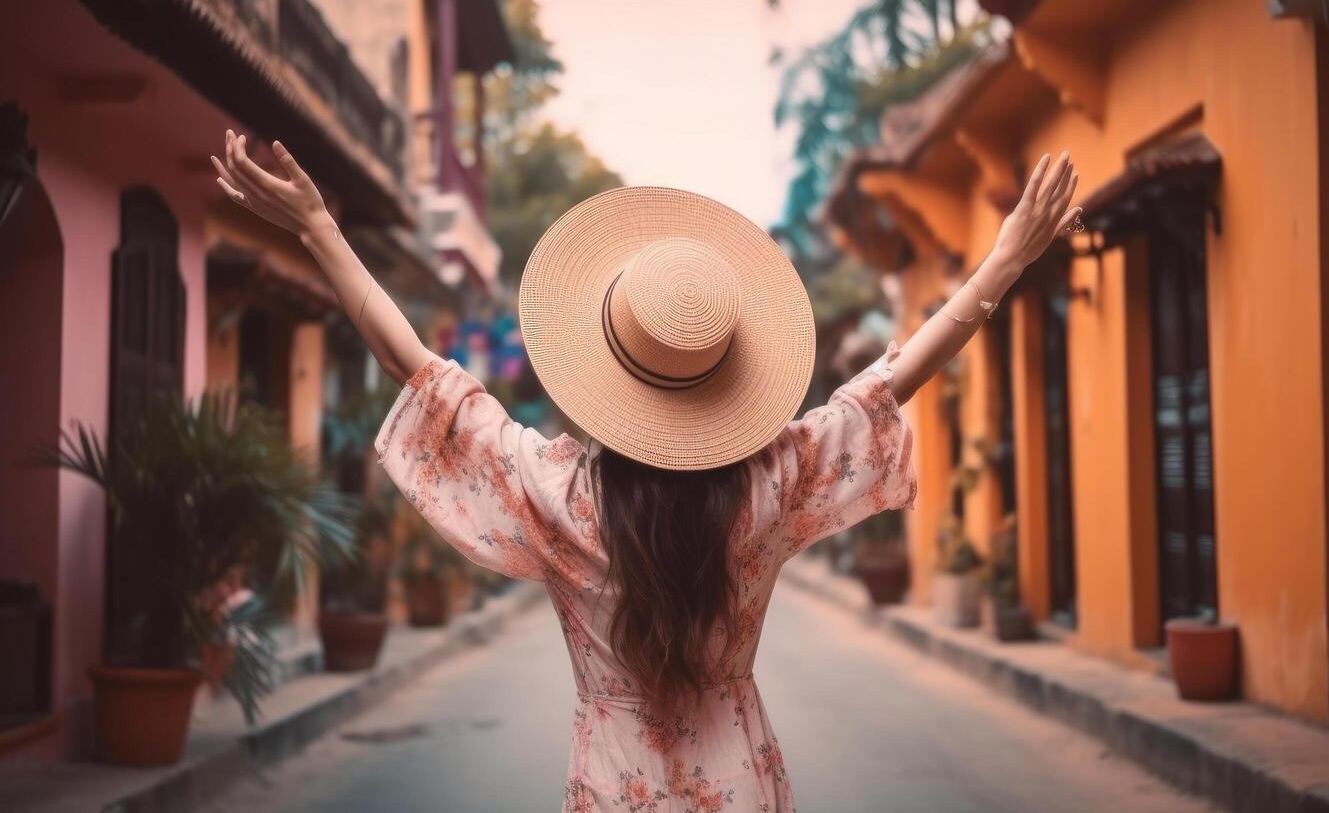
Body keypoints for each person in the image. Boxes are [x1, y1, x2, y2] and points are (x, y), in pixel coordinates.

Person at [211, 130, 1080, 812]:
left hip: (610, 785)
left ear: (606, 371)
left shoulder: (557, 496)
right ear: (727, 378)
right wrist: (1004, 259)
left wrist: (319, 228)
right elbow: (888, 385)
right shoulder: (771, 486)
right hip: (741, 779)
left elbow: (420, 371)